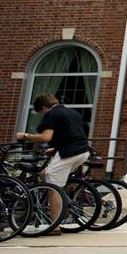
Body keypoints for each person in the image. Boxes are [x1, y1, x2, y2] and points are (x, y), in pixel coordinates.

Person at [16, 93, 92, 237]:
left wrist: (25, 136)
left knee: (53, 187)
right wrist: (56, 147)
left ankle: (55, 225)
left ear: (44, 107)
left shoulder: (51, 114)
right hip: (83, 152)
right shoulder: (72, 113)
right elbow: (70, 134)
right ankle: (64, 203)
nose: (43, 114)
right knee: (44, 174)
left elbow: (46, 137)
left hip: (68, 154)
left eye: (41, 111)